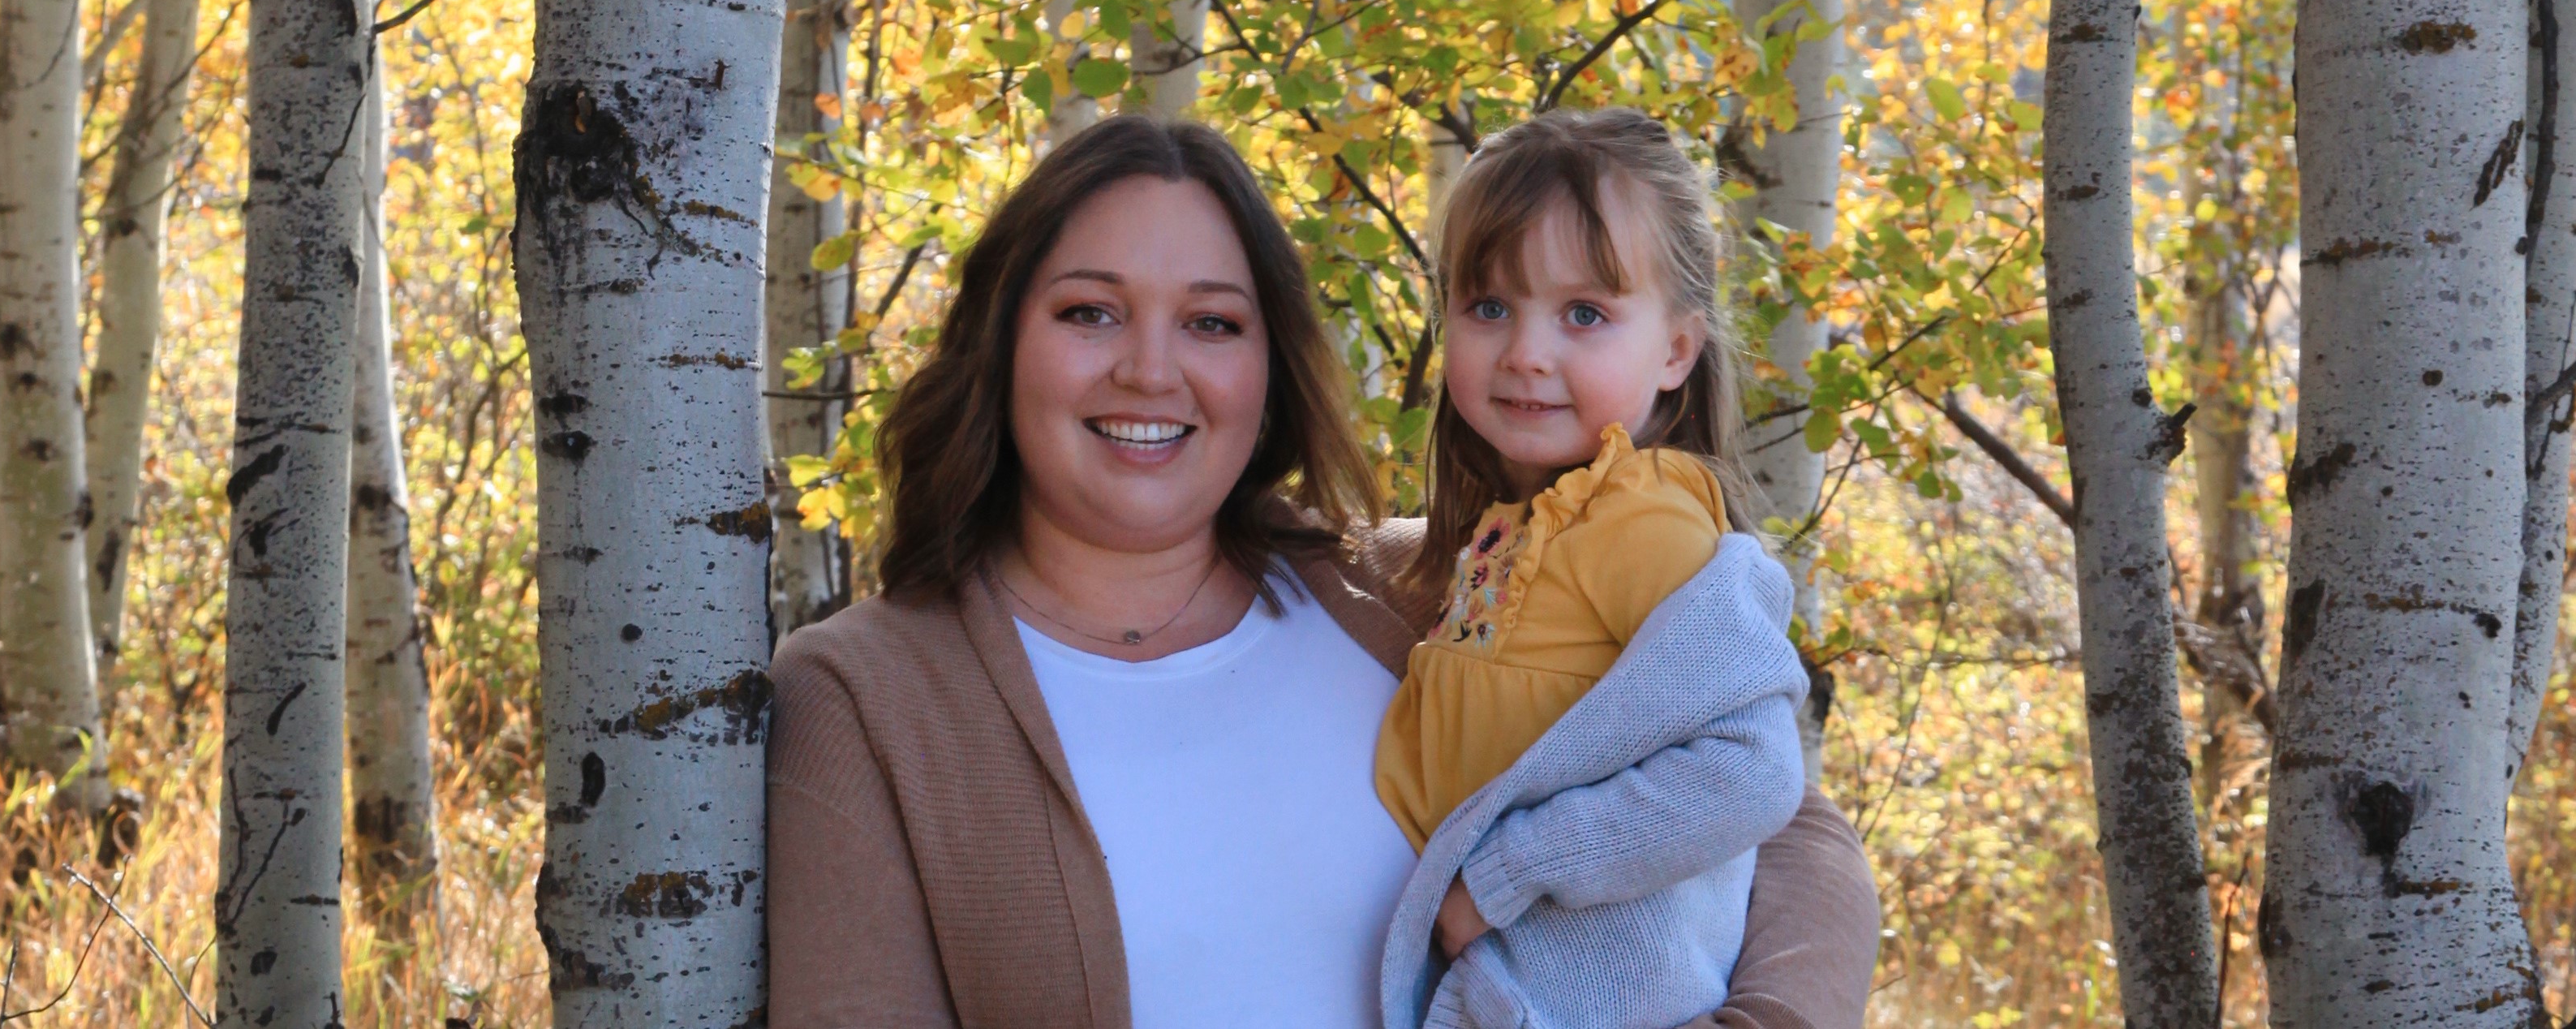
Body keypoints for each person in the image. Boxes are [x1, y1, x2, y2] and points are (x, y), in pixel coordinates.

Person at [766, 113, 1878, 1028]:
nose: (1150, 370)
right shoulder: (868, 701)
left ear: (1267, 367)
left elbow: (1784, 826)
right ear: (1000, 341)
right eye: (1089, 312)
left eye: (1210, 322)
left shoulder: (1408, 591)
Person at [1372, 108, 1805, 1029]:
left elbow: (1750, 769)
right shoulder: (1509, 530)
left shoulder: (1640, 518)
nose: (1527, 352)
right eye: (1488, 306)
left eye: (1584, 314)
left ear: (1674, 349)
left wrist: (1501, 876)